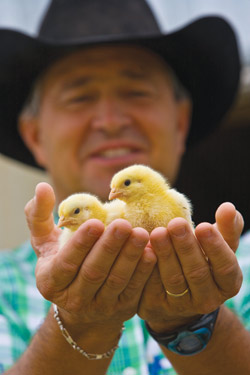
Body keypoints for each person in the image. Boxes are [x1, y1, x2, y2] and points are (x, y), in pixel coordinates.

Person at [0, 1, 249, 374]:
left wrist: (191, 320)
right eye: (80, 97)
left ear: (180, 123)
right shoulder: (5, 291)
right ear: (35, 136)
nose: (111, 122)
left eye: (137, 92)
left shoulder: (243, 267)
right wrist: (79, 324)